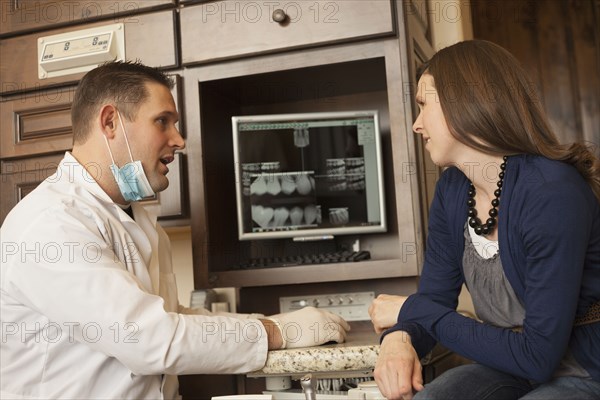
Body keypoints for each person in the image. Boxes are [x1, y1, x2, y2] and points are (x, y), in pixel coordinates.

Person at [0, 61, 350, 400]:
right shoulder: (51, 223)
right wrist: (278, 332)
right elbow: (148, 339)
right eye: (162, 122)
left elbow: (171, 317)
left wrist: (272, 322)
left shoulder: (138, 216)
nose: (179, 140)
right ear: (110, 122)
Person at [369, 40, 600, 400]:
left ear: (463, 103)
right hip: (510, 366)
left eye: (423, 105)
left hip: (585, 368)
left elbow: (538, 357)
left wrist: (410, 309)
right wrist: (398, 339)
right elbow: (434, 299)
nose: (416, 125)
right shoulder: (452, 189)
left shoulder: (552, 191)